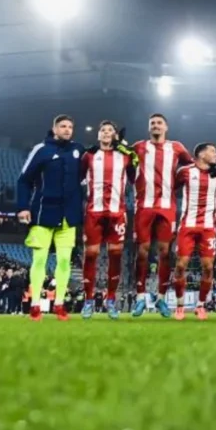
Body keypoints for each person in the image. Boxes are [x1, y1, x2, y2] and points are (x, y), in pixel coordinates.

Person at [16, 115, 85, 322]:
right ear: (54, 128)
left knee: (64, 261)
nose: (67, 129)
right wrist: (22, 207)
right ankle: (35, 304)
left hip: (68, 216)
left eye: (70, 126)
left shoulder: (78, 150)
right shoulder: (41, 150)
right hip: (42, 214)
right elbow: (23, 180)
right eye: (63, 126)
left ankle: (60, 304)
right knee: (39, 259)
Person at [130, 113, 193, 318]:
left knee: (165, 252)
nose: (156, 126)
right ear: (149, 128)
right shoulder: (138, 147)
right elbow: (124, 163)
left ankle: (161, 298)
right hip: (144, 205)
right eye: (152, 123)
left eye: (159, 123)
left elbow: (192, 166)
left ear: (166, 127)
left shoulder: (177, 147)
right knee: (142, 251)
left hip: (167, 206)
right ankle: (140, 297)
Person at [79, 120, 136, 320]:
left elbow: (134, 177)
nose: (106, 132)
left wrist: (127, 149)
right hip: (94, 212)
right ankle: (88, 300)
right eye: (102, 130)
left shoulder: (124, 156)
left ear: (115, 135)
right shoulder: (89, 156)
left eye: (110, 130)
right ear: (98, 135)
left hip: (116, 212)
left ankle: (111, 299)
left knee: (115, 254)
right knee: (91, 254)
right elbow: (79, 178)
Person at [171, 143, 216, 320]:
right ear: (201, 154)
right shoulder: (185, 172)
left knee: (208, 267)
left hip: (208, 227)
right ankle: (180, 306)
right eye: (213, 151)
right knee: (181, 265)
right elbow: (170, 190)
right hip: (187, 225)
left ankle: (201, 305)